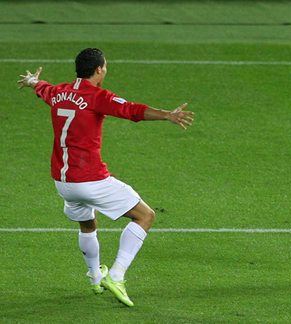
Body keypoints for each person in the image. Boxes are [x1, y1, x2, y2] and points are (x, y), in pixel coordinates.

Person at [18, 48, 194, 305]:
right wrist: (167, 114)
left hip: (63, 183)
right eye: (106, 67)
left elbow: (43, 89)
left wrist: (33, 81)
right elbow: (132, 110)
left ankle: (94, 277)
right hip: (90, 180)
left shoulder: (58, 93)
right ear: (99, 69)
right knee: (145, 216)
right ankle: (117, 275)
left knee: (88, 223)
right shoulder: (96, 96)